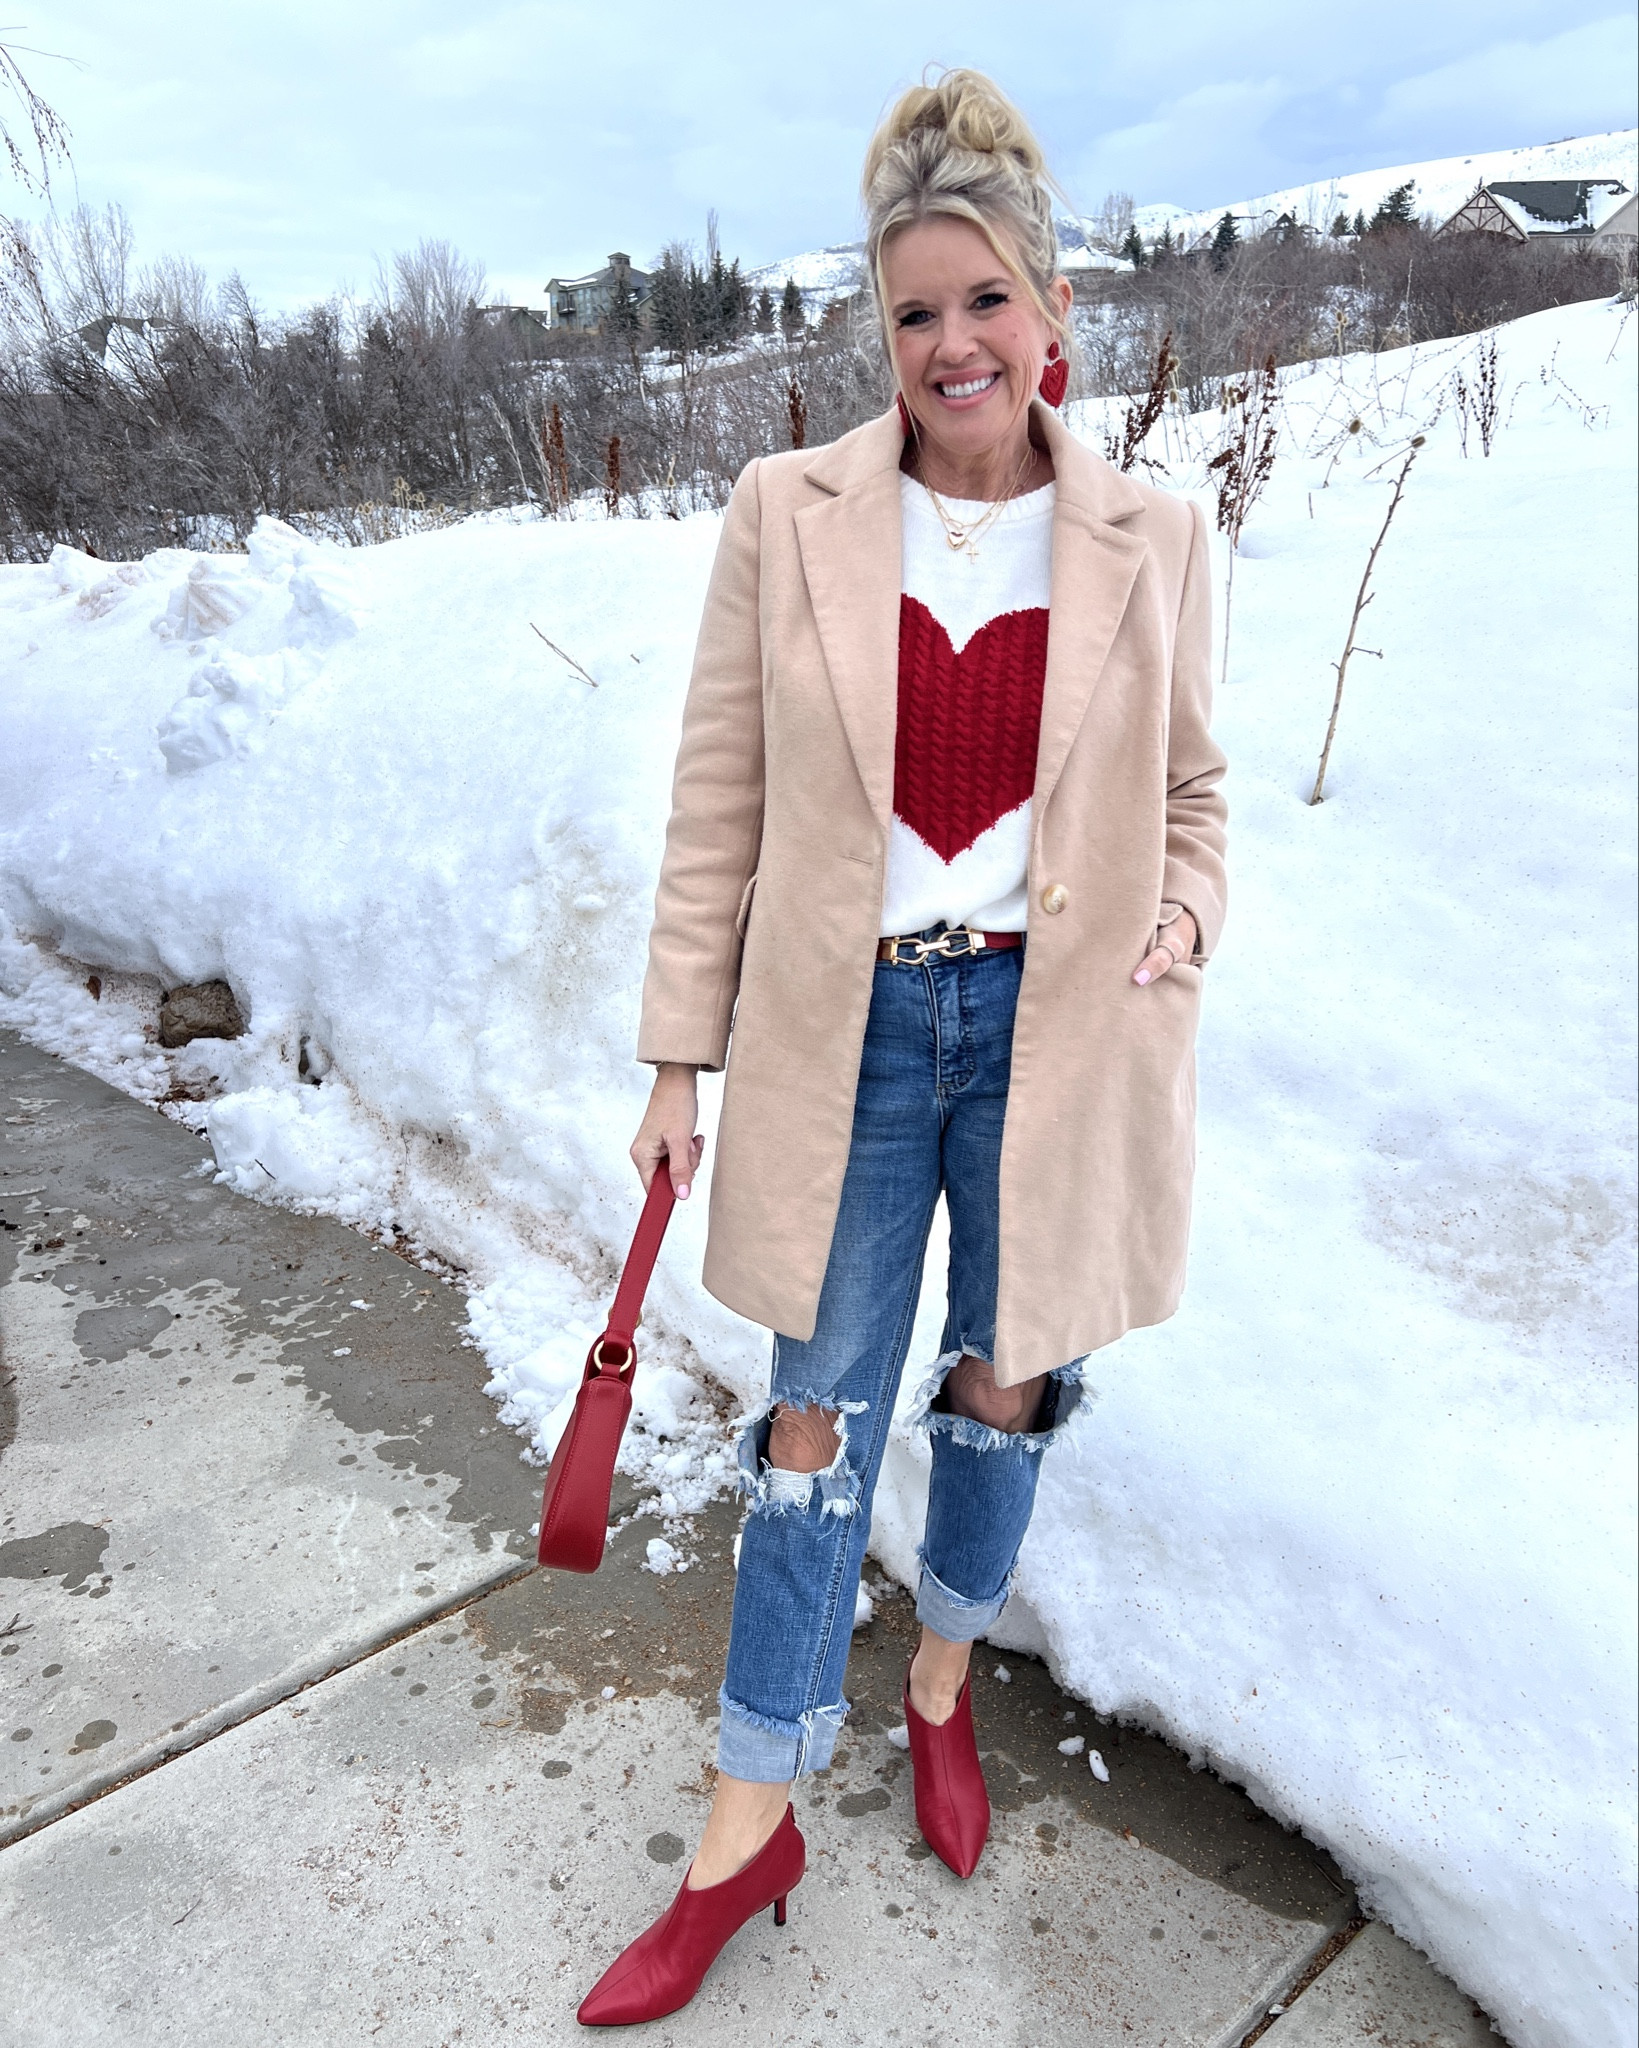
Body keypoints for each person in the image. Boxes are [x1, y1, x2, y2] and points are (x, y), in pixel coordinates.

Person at [575, 67, 1228, 2028]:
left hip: (1056, 1041)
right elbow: (718, 799)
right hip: (841, 1037)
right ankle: (746, 1803)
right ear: (881, 329)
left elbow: (1194, 787)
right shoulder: (789, 515)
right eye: (911, 310)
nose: (951, 342)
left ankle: (942, 1683)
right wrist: (675, 1056)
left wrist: (1184, 919)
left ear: (1050, 312)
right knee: (808, 1419)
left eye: (983, 300)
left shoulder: (1151, 534)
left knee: (1001, 1394)